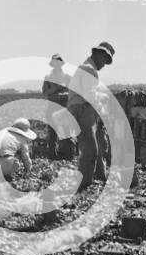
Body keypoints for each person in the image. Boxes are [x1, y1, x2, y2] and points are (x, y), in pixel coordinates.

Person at [67, 41, 114, 189]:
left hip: (86, 108)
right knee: (90, 150)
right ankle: (83, 183)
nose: (104, 65)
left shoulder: (89, 69)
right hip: (82, 108)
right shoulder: (88, 69)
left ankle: (100, 175)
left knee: (100, 143)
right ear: (98, 54)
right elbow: (90, 96)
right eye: (104, 61)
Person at [41, 54, 71, 158]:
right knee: (52, 131)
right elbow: (44, 92)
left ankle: (68, 154)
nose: (56, 65)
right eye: (54, 63)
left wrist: (64, 93)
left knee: (67, 130)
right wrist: (55, 88)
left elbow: (73, 92)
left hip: (64, 106)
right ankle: (52, 155)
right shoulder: (48, 77)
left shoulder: (67, 77)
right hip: (52, 106)